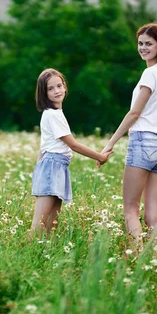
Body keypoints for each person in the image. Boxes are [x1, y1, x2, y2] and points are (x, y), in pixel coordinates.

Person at [99, 23, 157, 244]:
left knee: (130, 210)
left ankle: (137, 257)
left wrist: (110, 143)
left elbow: (135, 113)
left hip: (143, 141)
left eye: (148, 44)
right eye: (140, 43)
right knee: (153, 217)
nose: (143, 48)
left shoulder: (150, 74)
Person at [31, 68, 113, 235]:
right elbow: (73, 145)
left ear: (65, 87)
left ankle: (46, 254)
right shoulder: (52, 115)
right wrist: (100, 157)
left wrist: (38, 167)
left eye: (59, 86)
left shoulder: (56, 114)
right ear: (43, 93)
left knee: (52, 222)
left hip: (58, 167)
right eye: (50, 89)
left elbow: (43, 147)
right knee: (40, 222)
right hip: (52, 167)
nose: (56, 91)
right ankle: (28, 253)